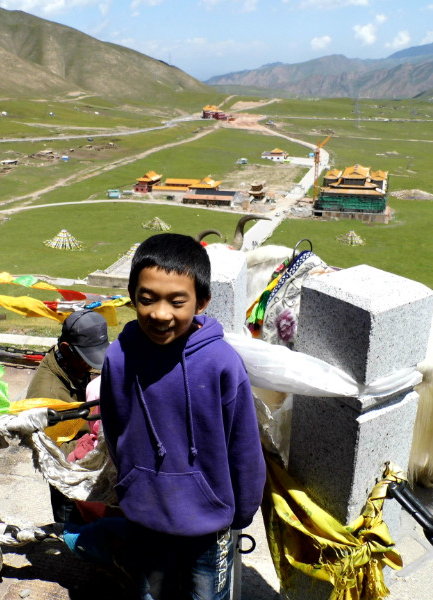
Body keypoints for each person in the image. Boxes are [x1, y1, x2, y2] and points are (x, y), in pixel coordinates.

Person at [98, 233, 266, 599]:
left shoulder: (221, 364)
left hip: (209, 523)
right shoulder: (119, 356)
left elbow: (244, 447)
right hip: (145, 515)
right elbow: (114, 430)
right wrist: (130, 484)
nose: (160, 314)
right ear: (132, 297)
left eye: (177, 302)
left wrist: (242, 512)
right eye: (147, 299)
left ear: (202, 301)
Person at [26, 309, 109, 524]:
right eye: (87, 358)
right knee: (73, 530)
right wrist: (94, 445)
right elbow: (51, 453)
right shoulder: (48, 396)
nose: (92, 365)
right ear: (66, 349)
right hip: (69, 480)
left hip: (88, 467)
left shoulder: (72, 364)